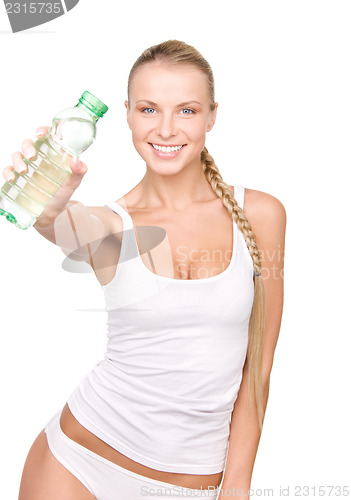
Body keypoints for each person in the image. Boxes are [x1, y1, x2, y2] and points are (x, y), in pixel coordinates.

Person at [4, 40, 286, 500]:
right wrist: (46, 204)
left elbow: (260, 364)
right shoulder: (111, 224)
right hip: (77, 463)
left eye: (188, 110)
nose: (167, 128)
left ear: (212, 116)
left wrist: (237, 485)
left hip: (193, 481)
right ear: (129, 115)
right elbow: (58, 224)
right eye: (149, 109)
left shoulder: (260, 215)